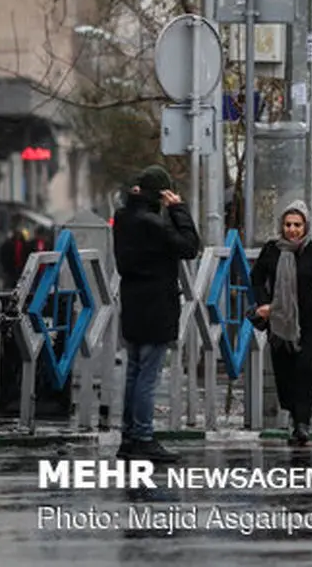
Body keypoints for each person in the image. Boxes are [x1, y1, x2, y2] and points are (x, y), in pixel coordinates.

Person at [112, 165, 201, 462]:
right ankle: (143, 436)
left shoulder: (124, 219)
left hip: (133, 302)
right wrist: (179, 209)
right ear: (162, 194)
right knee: (148, 376)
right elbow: (190, 246)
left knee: (134, 371)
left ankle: (128, 436)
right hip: (156, 306)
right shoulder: (154, 224)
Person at [249, 200, 312, 446]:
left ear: (305, 226)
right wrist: (263, 303)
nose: (292, 230)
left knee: (306, 369)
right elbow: (256, 278)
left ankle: (302, 424)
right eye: (287, 224)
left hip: (311, 321)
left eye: (297, 225)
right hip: (280, 322)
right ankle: (296, 418)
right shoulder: (272, 250)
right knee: (285, 374)